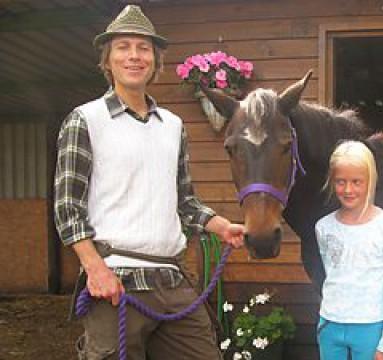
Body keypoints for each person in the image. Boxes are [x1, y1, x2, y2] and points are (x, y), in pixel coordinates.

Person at [53, 5, 244, 360]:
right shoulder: (84, 120)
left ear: (155, 61)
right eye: (123, 47)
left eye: (143, 48)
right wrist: (95, 270)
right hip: (115, 283)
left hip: (172, 279)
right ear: (107, 60)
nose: (134, 56)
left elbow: (184, 201)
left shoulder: (172, 126)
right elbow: (68, 209)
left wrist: (221, 226)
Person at [314, 140, 383, 360]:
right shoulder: (323, 227)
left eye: (357, 182)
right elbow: (331, 274)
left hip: (371, 327)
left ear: (370, 181)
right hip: (330, 325)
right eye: (340, 182)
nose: (348, 189)